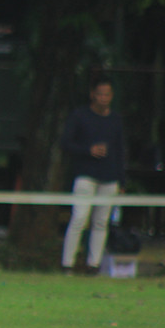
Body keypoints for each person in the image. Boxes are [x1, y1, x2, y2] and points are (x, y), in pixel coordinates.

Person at [60, 74, 126, 275]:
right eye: (100, 94)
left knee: (101, 222)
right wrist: (88, 150)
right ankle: (68, 263)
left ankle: (94, 264)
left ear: (112, 96)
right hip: (85, 175)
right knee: (79, 218)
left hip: (109, 178)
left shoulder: (116, 120)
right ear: (92, 95)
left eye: (107, 94)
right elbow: (66, 143)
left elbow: (121, 150)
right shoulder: (80, 115)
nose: (103, 98)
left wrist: (121, 180)